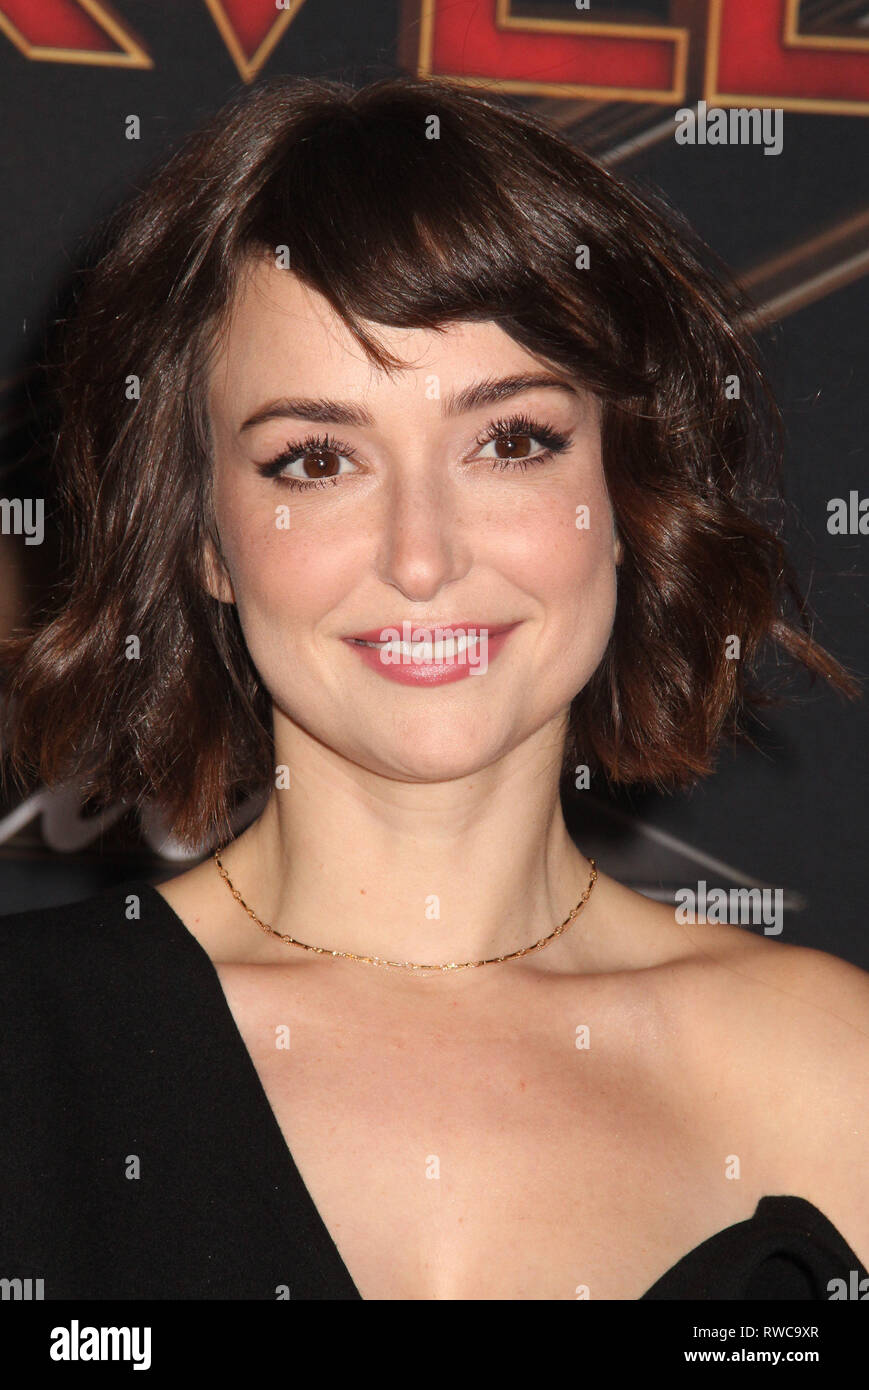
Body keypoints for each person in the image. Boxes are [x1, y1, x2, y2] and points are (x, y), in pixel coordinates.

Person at [1, 74, 867, 1302]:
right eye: (316, 459)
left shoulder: (833, 1072)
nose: (420, 557)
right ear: (203, 536)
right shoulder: (26, 1047)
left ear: (626, 492)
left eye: (508, 441)